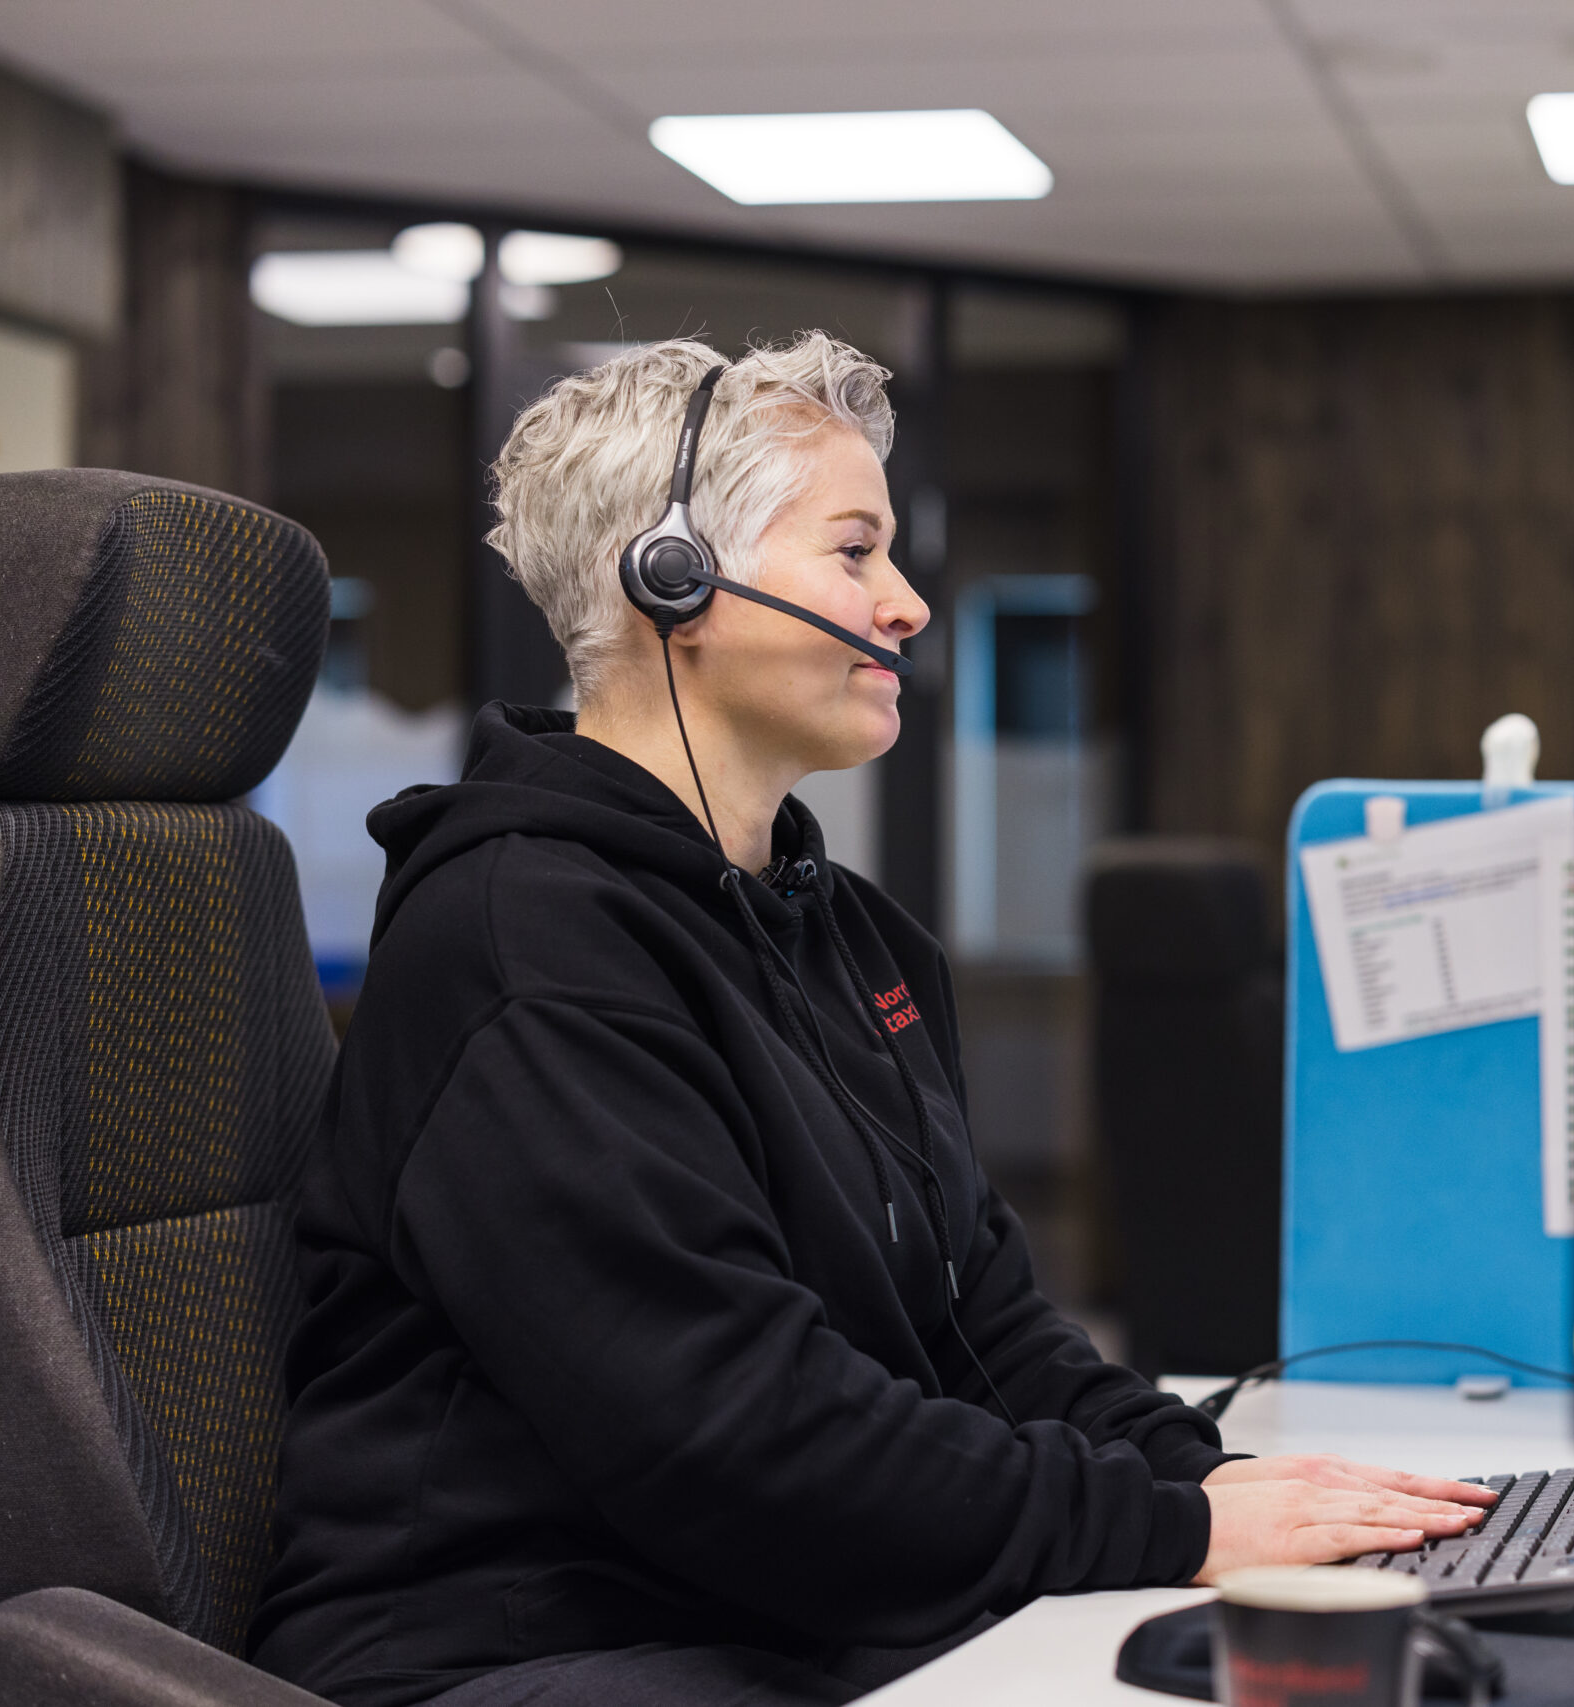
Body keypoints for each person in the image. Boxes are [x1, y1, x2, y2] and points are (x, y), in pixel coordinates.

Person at [248, 334, 1494, 1707]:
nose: (905, 606)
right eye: (854, 553)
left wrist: (1225, 1480)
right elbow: (738, 1441)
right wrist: (1177, 1532)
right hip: (528, 1652)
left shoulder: (839, 931)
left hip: (769, 1616)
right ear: (674, 582)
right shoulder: (524, 943)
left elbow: (994, 1337)